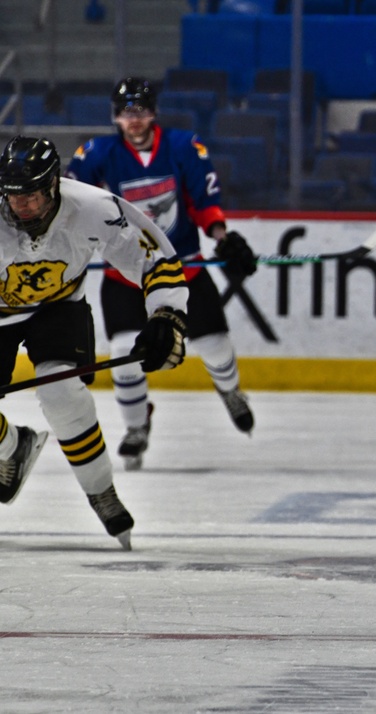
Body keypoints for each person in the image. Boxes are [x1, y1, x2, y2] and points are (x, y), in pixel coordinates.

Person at [0, 135, 189, 549]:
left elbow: (155, 258)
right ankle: (13, 447)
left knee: (61, 391)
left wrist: (166, 315)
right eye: (13, 197)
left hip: (59, 306)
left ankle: (101, 490)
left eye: (31, 195)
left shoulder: (95, 208)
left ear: (53, 185)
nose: (22, 206)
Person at [64, 76, 257, 471]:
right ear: (116, 117)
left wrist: (222, 237)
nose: (134, 120)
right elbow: (72, 207)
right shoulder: (96, 154)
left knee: (216, 342)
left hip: (180, 269)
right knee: (122, 352)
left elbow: (204, 201)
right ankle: (137, 427)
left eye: (141, 111)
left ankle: (231, 390)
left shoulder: (185, 146)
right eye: (125, 113)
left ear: (153, 112)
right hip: (126, 276)